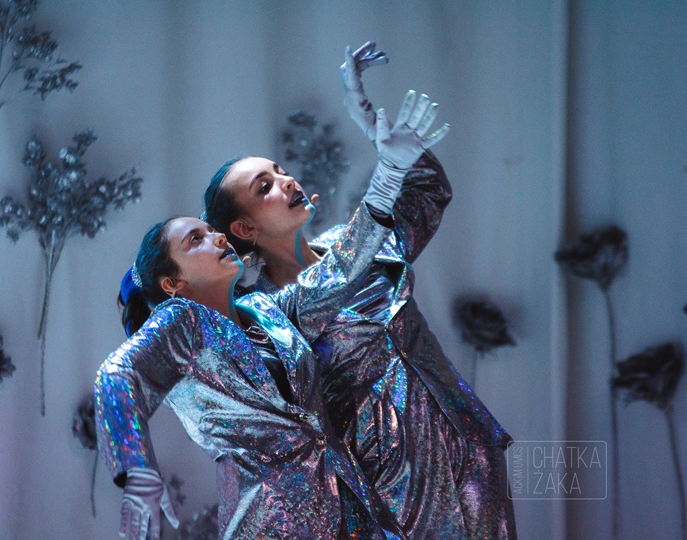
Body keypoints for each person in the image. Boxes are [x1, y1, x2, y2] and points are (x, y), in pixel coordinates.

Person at [202, 42, 517, 538]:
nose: (286, 182)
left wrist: (372, 128)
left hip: (464, 443)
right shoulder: (266, 311)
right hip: (389, 479)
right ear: (244, 228)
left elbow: (428, 195)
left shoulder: (353, 241)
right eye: (264, 187)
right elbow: (332, 281)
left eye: (281, 171)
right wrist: (387, 174)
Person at [94, 89, 434, 540]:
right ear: (173, 283)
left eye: (212, 231)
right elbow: (118, 376)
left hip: (352, 514)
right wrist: (135, 466)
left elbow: (341, 268)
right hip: (271, 525)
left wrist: (389, 174)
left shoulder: (269, 309)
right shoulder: (182, 324)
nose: (217, 239)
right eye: (195, 241)